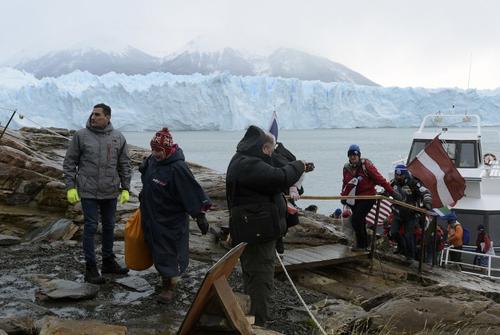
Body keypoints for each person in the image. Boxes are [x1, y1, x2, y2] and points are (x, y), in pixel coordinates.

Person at [226, 125, 312, 326]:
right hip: (257, 233)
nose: (272, 153)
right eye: (271, 149)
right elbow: (280, 177)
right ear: (264, 148)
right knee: (260, 278)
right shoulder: (249, 165)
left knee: (254, 275)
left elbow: (277, 171)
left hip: (254, 230)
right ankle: (258, 324)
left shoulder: (244, 159)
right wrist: (299, 165)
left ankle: (253, 317)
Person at [139, 128, 211, 303]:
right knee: (156, 248)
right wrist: (144, 169)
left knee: (170, 251)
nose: (155, 153)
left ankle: (169, 287)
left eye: (159, 151)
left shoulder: (178, 167)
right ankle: (165, 278)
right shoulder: (153, 161)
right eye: (153, 149)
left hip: (170, 219)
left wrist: (200, 215)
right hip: (152, 215)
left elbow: (191, 190)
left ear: (168, 150)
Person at [63, 103, 131, 284]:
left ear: (107, 117)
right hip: (88, 191)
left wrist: (126, 188)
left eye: (97, 115)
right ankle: (91, 268)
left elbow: (124, 164)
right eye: (92, 114)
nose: (93, 117)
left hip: (110, 190)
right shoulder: (81, 136)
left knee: (109, 226)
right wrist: (70, 186)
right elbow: (70, 162)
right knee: (91, 226)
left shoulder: (118, 137)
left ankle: (108, 262)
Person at [341, 144, 394, 251]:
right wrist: (343, 196)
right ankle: (364, 245)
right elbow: (345, 183)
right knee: (359, 221)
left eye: (355, 154)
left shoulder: (366, 165)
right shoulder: (346, 168)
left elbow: (379, 179)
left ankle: (361, 245)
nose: (353, 157)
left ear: (359, 155)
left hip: (368, 197)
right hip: (354, 199)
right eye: (351, 155)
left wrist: (391, 191)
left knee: (356, 219)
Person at [390, 164, 432, 260]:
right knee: (393, 233)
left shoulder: (413, 183)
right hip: (398, 213)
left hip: (411, 215)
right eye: (396, 175)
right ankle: (402, 248)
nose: (398, 177)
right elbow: (385, 190)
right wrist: (378, 194)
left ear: (405, 174)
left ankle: (410, 257)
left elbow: (426, 192)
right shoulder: (393, 183)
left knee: (408, 235)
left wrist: (427, 204)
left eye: (400, 175)